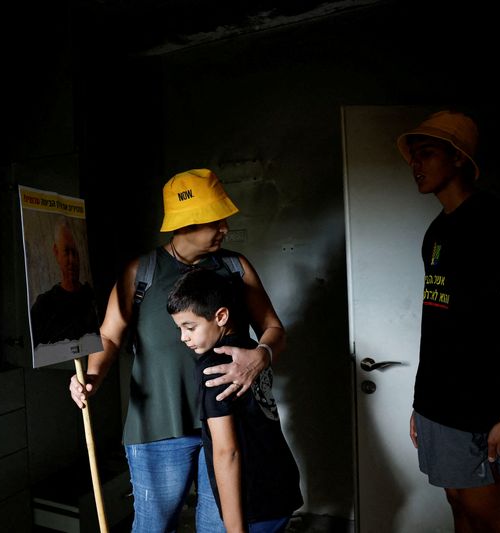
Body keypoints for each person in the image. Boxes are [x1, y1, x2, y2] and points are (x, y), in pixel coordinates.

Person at [69, 168, 285, 532]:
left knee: (220, 526)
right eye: (215, 221)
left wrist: (261, 356)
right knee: (155, 526)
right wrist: (92, 377)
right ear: (186, 224)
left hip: (225, 426)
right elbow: (109, 337)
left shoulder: (235, 268)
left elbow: (274, 329)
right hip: (158, 427)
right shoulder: (142, 272)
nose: (225, 229)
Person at [397, 110, 500, 532]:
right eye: (413, 156)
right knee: (459, 505)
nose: (415, 164)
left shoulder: (494, 223)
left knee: (489, 517)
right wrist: (422, 404)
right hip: (437, 405)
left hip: (477, 408)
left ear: (459, 159)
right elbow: (442, 324)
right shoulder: (437, 232)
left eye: (426, 154)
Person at [166, 268, 302, 533]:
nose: (183, 337)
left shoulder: (212, 367)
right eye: (179, 328)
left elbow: (226, 451)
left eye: (189, 327)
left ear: (221, 316)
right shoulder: (251, 351)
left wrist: (235, 530)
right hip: (281, 484)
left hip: (254, 499)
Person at [30, 216, 99, 346]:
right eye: (66, 252)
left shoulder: (91, 298)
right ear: (56, 252)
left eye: (75, 253)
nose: (71, 260)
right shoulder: (43, 306)